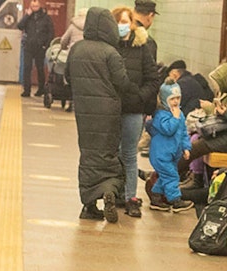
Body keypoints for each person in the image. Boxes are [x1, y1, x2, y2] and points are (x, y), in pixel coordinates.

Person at [66, 7, 134, 222]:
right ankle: (109, 190)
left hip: (84, 111)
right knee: (108, 153)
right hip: (108, 112)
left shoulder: (77, 49)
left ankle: (88, 205)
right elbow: (122, 82)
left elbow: (66, 76)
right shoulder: (110, 53)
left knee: (88, 153)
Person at [110, 6, 159, 218]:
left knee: (129, 154)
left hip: (133, 110)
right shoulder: (109, 48)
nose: (123, 26)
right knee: (112, 154)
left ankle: (130, 197)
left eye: (126, 22)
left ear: (132, 23)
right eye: (119, 22)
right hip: (111, 110)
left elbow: (153, 79)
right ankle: (115, 193)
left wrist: (140, 97)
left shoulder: (142, 48)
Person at [145, 83, 191, 211]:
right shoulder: (160, 115)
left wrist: (186, 147)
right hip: (161, 154)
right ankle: (175, 200)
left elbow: (183, 132)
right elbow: (168, 129)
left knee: (165, 176)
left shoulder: (179, 114)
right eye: (172, 98)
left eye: (178, 98)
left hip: (172, 154)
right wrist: (175, 118)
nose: (176, 101)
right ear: (165, 99)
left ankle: (156, 197)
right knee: (172, 176)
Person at [16, 0, 54, 98]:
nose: (34, 8)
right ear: (30, 7)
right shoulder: (28, 17)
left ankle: (41, 89)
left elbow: (51, 32)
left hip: (40, 47)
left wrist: (46, 45)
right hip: (28, 46)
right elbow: (20, 26)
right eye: (33, 6)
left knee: (40, 68)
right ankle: (26, 90)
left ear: (40, 6)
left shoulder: (46, 18)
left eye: (36, 6)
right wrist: (27, 15)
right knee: (27, 68)